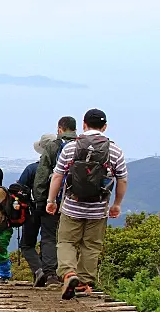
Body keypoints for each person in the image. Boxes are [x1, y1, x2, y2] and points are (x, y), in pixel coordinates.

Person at [46, 108, 127, 300]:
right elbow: (122, 179)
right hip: (98, 208)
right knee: (91, 245)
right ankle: (83, 284)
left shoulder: (71, 147)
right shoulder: (115, 150)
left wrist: (51, 200)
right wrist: (116, 204)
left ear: (83, 124)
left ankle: (68, 273)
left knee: (66, 242)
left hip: (72, 205)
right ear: (105, 127)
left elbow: (58, 175)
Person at [32, 116, 78, 286]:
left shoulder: (52, 147)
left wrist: (41, 200)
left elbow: (42, 175)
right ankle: (71, 273)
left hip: (55, 201)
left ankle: (51, 275)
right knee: (72, 240)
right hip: (78, 203)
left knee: (49, 237)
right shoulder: (82, 145)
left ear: (60, 129)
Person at [17, 134, 55, 284]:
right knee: (49, 240)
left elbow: (19, 189)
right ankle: (51, 274)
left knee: (27, 244)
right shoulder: (60, 170)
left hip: (32, 210)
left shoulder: (32, 168)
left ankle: (39, 271)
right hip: (53, 209)